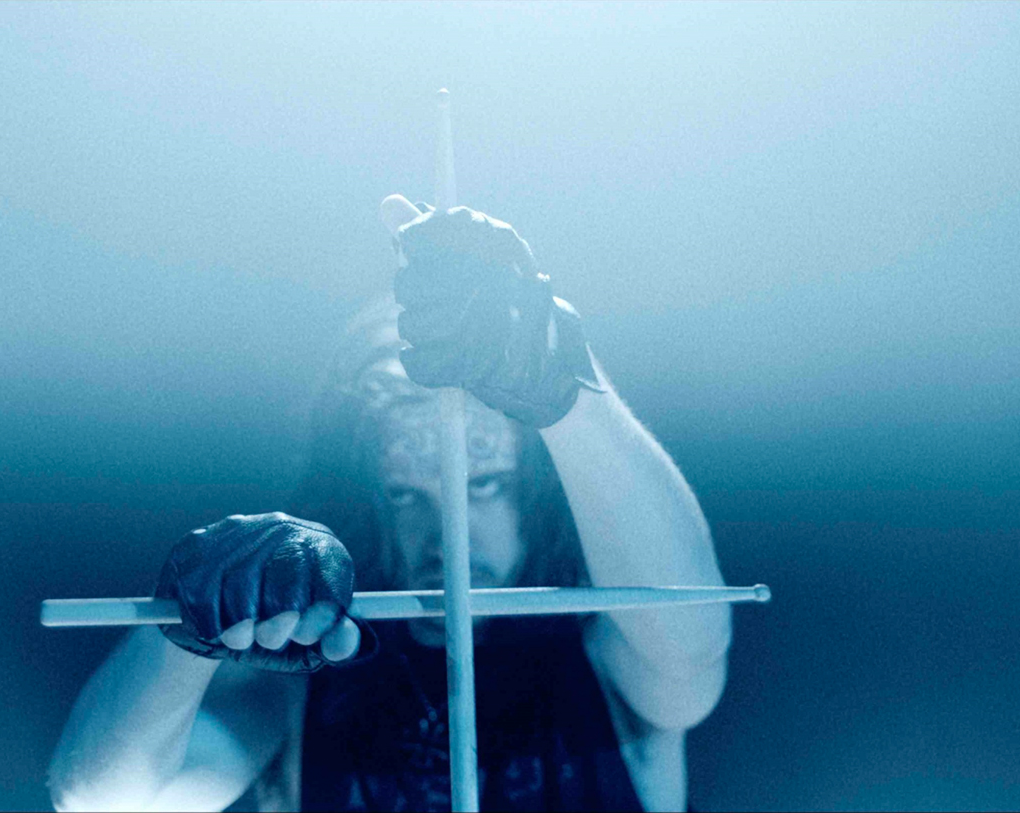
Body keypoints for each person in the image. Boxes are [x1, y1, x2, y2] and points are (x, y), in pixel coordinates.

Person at [48, 198, 732, 812]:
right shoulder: (297, 683)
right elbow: (103, 800)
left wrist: (565, 392)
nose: (448, 536)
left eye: (485, 484)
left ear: (538, 492)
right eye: (405, 494)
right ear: (363, 504)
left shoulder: (609, 658)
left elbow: (689, 640)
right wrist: (192, 619)